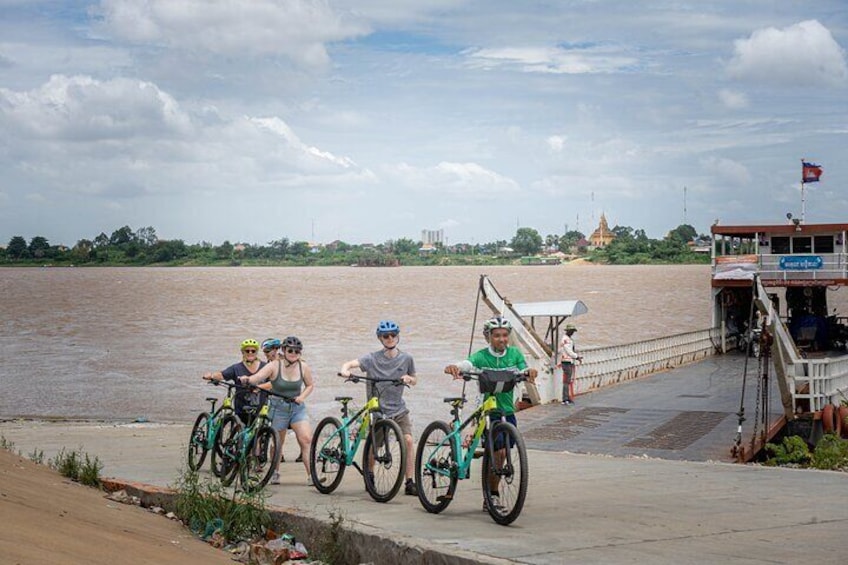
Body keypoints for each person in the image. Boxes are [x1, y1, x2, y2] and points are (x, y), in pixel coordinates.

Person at [444, 316, 537, 511]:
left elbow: (525, 368)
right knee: (498, 452)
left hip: (507, 411)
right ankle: (491, 497)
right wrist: (455, 367)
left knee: (502, 453)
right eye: (497, 336)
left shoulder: (514, 354)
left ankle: (490, 495)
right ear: (488, 337)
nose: (502, 339)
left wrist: (531, 372)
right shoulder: (481, 356)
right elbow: (467, 364)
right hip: (487, 411)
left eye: (505, 335)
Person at [339, 320, 418, 496]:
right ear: (380, 338)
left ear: (397, 336)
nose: (390, 338)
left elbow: (415, 378)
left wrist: (408, 379)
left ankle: (410, 482)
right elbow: (350, 364)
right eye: (385, 336)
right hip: (379, 410)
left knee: (409, 441)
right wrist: (345, 370)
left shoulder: (406, 358)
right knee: (375, 447)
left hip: (399, 409)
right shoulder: (372, 358)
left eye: (393, 335)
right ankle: (370, 475)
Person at [242, 335, 314, 485]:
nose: (293, 353)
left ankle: (312, 476)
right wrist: (248, 380)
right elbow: (259, 376)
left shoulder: (304, 366)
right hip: (278, 408)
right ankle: (275, 472)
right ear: (284, 350)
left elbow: (310, 385)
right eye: (290, 350)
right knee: (277, 443)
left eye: (297, 351)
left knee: (306, 440)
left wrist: (302, 396)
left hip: (297, 407)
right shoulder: (275, 365)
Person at [202, 338, 267, 425]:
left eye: (253, 351)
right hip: (241, 409)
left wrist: (260, 388)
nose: (250, 353)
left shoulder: (266, 367)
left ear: (257, 352)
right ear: (243, 352)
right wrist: (211, 376)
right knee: (241, 434)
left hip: (260, 409)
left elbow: (273, 383)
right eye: (247, 351)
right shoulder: (236, 368)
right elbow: (222, 375)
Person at [261, 338, 299, 463]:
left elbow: (275, 383)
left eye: (267, 351)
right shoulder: (270, 362)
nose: (265, 353)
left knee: (294, 427)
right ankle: (279, 454)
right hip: (275, 400)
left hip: (288, 400)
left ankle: (301, 453)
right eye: (264, 351)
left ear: (276, 349)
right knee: (280, 429)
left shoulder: (283, 361)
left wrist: (258, 387)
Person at [558, 324, 582, 405]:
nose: (572, 333)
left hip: (568, 361)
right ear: (568, 331)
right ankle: (565, 399)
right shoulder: (566, 340)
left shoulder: (567, 339)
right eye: (571, 331)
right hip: (566, 361)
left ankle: (567, 397)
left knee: (567, 381)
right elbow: (569, 351)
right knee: (566, 381)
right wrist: (576, 356)